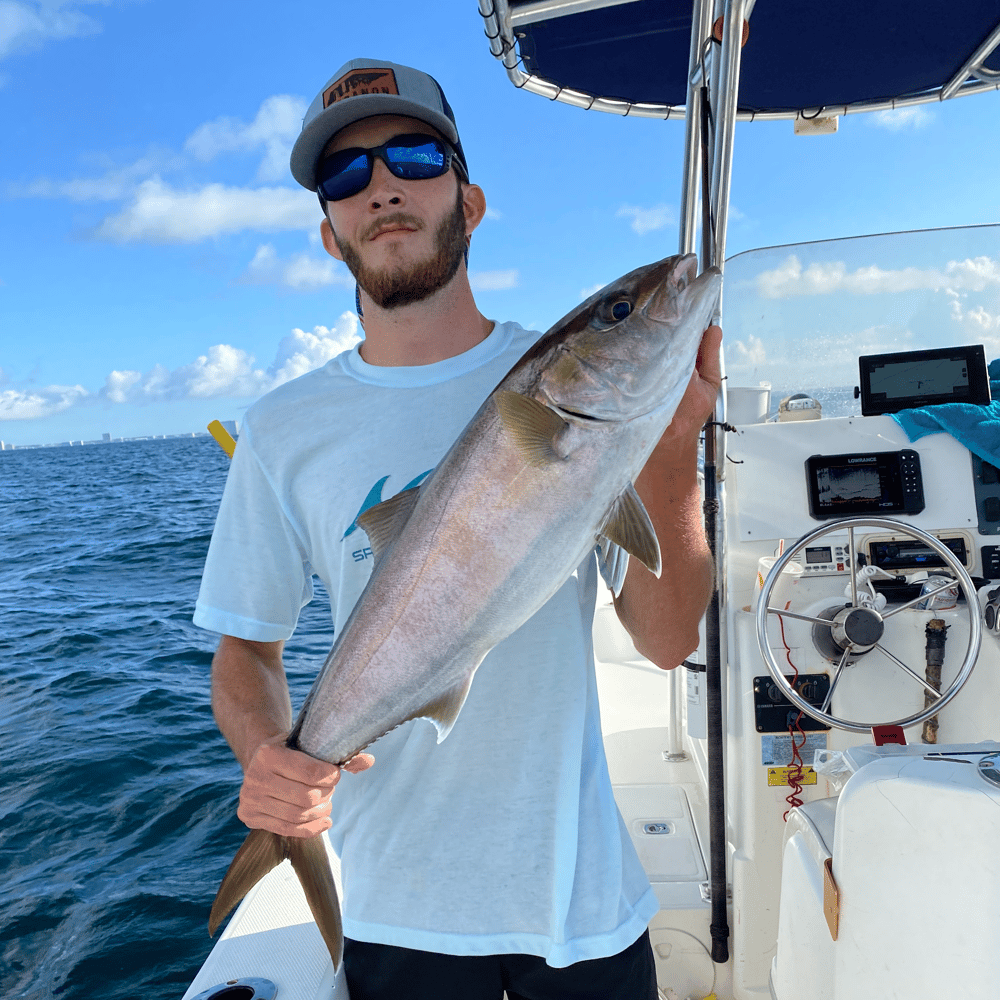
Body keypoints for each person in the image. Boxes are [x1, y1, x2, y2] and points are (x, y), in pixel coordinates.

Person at [195, 57, 720, 1000]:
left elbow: (671, 638)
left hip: (584, 899)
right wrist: (271, 762)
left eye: (413, 156)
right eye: (347, 176)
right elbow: (245, 653)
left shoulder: (555, 377)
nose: (383, 185)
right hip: (398, 909)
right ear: (329, 233)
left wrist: (670, 449)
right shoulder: (281, 430)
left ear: (469, 202)